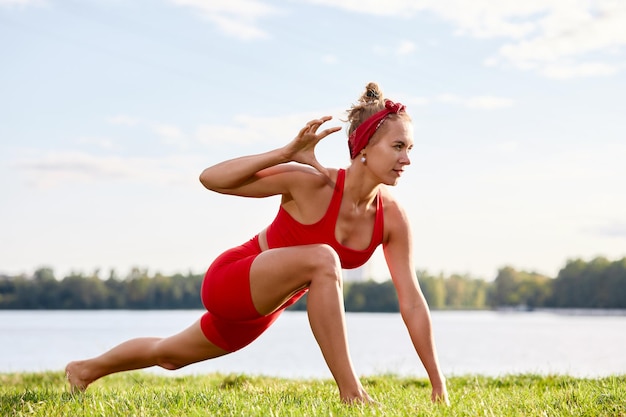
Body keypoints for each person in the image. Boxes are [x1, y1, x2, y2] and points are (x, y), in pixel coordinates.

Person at [65, 82, 449, 405]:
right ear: (363, 148)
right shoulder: (310, 182)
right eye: (398, 147)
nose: (407, 159)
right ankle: (351, 392)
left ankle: (84, 370)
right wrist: (284, 154)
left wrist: (437, 383)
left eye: (410, 148)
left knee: (167, 356)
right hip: (233, 279)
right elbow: (211, 178)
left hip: (263, 310)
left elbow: (411, 301)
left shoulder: (392, 217)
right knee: (324, 259)